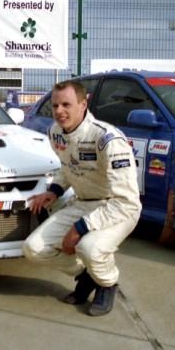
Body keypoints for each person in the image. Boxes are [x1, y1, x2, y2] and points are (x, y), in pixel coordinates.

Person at [22, 80, 141, 316]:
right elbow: (67, 167)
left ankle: (107, 283)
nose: (59, 111)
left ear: (83, 104)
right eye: (55, 105)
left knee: (89, 247)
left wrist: (80, 228)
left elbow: (126, 201)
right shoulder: (55, 132)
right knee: (33, 249)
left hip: (116, 208)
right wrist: (54, 191)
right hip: (82, 203)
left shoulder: (108, 140)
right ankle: (87, 275)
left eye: (66, 104)